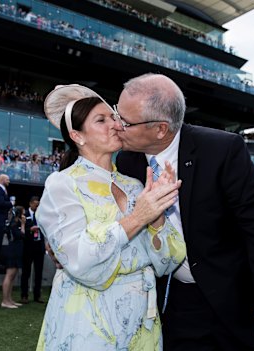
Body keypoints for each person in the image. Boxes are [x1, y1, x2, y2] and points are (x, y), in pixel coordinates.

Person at [115, 73, 254, 350]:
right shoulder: (126, 161)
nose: (116, 126)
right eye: (115, 114)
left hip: (233, 298)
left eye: (125, 122)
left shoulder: (222, 150)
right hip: (174, 297)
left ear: (160, 129)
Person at [36, 84, 186, 349]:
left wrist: (157, 215)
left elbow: (168, 262)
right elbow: (80, 262)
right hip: (88, 320)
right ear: (77, 136)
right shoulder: (62, 184)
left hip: (143, 322)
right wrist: (138, 217)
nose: (115, 124)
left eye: (114, 117)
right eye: (101, 120)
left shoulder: (135, 185)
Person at [20, 196, 44, 304]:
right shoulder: (24, 214)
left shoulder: (42, 215)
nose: (37, 206)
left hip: (39, 246)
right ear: (30, 204)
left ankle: (37, 295)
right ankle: (24, 295)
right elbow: (21, 228)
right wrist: (30, 229)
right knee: (26, 272)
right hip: (28, 246)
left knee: (38, 272)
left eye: (38, 204)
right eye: (35, 204)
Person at [1, 206, 25, 309]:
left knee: (13, 275)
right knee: (9, 275)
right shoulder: (14, 224)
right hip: (13, 251)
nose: (24, 215)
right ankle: (5, 301)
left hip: (17, 250)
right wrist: (23, 224)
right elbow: (21, 235)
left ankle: (9, 299)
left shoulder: (15, 222)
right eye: (23, 213)